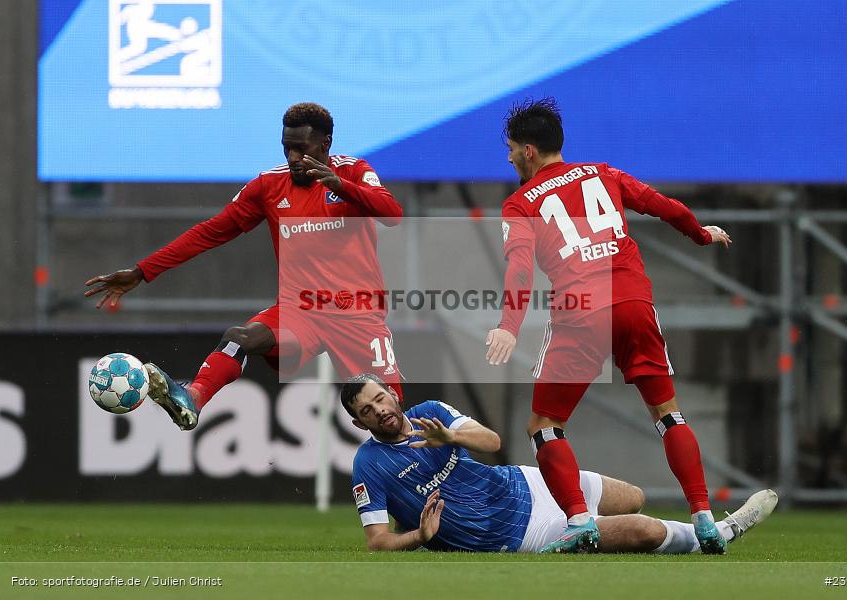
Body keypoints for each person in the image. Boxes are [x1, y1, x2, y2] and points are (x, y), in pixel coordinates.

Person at [484, 98, 734, 553]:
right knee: (667, 414)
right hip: (635, 302)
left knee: (544, 425)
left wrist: (507, 326)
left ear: (530, 153)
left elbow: (519, 269)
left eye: (512, 148)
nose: (508, 157)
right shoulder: (603, 173)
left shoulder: (521, 203)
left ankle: (580, 521)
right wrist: (701, 233)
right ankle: (703, 518)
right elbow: (664, 206)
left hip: (580, 311)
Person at [85, 103, 404, 431]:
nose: (292, 157)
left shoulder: (353, 171)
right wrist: (142, 270)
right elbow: (211, 231)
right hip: (301, 312)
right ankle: (192, 397)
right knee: (239, 337)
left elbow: (392, 215)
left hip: (358, 314)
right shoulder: (269, 186)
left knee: (390, 416)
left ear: (325, 144)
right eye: (286, 148)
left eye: (301, 149)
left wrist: (339, 186)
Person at [341, 374, 776, 554]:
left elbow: (491, 440)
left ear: (392, 393)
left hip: (526, 484)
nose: (378, 409)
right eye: (366, 409)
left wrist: (450, 436)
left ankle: (661, 535)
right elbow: (377, 540)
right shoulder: (369, 465)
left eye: (380, 397)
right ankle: (717, 534)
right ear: (359, 422)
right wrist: (420, 535)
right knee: (642, 528)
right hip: (521, 532)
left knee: (633, 497)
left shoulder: (430, 411)